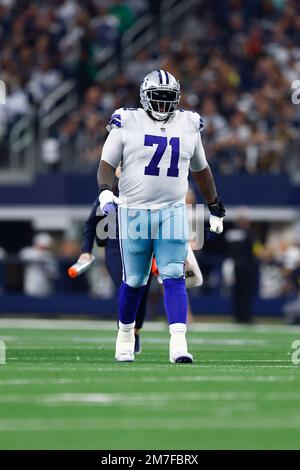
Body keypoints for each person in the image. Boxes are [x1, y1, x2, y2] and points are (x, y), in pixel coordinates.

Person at [97, 70, 225, 363]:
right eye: (159, 98)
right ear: (145, 97)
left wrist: (215, 204)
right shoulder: (126, 120)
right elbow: (106, 163)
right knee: (135, 280)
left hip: (172, 209)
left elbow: (201, 170)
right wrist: (106, 193)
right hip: (133, 211)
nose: (165, 105)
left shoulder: (189, 123)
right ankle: (126, 335)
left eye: (169, 99)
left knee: (173, 276)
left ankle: (178, 343)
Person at [77, 192, 151, 354]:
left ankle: (136, 330)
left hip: (142, 244)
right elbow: (91, 223)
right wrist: (86, 250)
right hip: (115, 246)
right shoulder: (108, 195)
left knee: (142, 290)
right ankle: (125, 333)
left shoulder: (144, 188)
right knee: (124, 285)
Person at [19, 233, 58, 297]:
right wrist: (39, 257)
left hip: (46, 288)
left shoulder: (49, 256)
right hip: (31, 287)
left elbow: (54, 274)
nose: (44, 248)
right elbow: (22, 256)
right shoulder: (28, 252)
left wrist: (47, 266)